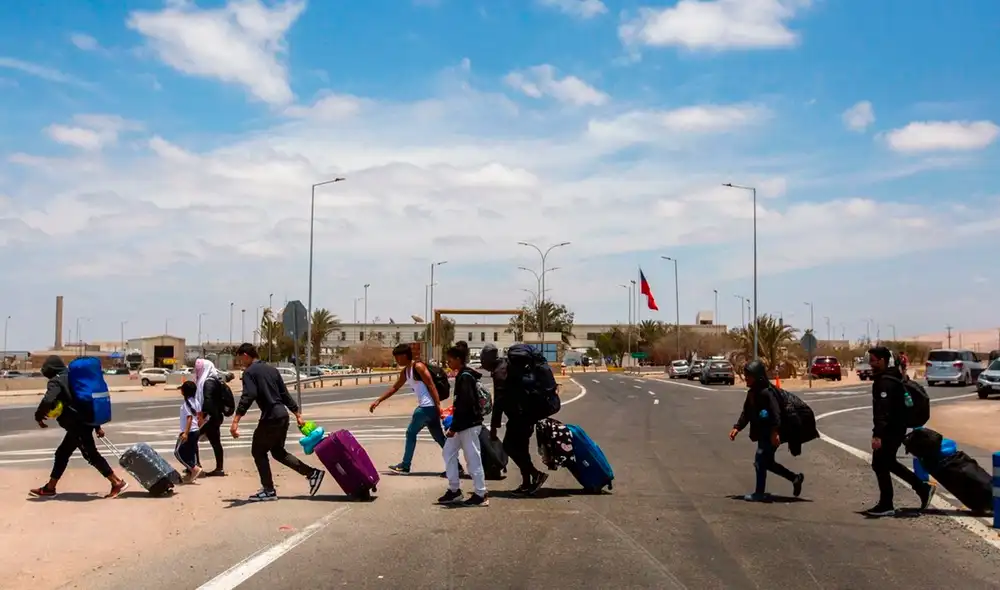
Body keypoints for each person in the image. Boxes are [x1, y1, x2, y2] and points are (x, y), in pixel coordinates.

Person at [230, 343, 324, 502]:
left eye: (240, 358)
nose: (240, 361)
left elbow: (249, 395)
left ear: (245, 355)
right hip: (282, 415)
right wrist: (297, 413)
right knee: (278, 452)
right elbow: (284, 394)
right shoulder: (272, 370)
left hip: (271, 418)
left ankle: (268, 490)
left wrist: (236, 420)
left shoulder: (249, 373)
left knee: (258, 451)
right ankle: (312, 473)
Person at [29, 355, 129, 499]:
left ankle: (116, 482)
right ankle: (50, 487)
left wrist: (39, 416)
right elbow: (85, 401)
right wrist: (97, 426)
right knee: (62, 453)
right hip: (84, 422)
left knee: (90, 454)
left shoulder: (56, 381)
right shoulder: (73, 377)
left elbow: (48, 399)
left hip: (77, 424)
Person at [864, 346, 935, 517]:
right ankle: (922, 488)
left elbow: (883, 412)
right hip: (897, 428)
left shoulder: (885, 382)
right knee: (887, 463)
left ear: (881, 360)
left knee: (880, 464)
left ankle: (887, 504)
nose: (870, 364)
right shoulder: (893, 377)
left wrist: (877, 434)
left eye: (873, 360)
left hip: (890, 430)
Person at [729, 360, 804, 502]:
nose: (746, 378)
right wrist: (737, 427)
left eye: (749, 375)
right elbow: (746, 413)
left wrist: (775, 432)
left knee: (760, 460)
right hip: (762, 433)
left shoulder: (767, 393)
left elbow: (776, 413)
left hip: (770, 433)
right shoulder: (752, 393)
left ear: (757, 376)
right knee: (767, 463)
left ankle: (759, 493)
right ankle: (795, 478)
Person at [481, 343, 548, 495]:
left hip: (520, 416)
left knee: (509, 447)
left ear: (488, 359)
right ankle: (526, 483)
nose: (482, 363)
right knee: (522, 449)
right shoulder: (506, 365)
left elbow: (499, 402)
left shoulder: (499, 372)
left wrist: (494, 426)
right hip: (525, 413)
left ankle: (535, 474)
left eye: (482, 359)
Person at [371, 343, 448, 475]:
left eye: (398, 357)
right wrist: (379, 400)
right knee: (440, 438)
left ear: (405, 356)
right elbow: (395, 388)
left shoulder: (418, 366)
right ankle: (456, 466)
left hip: (426, 408)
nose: (396, 360)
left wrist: (438, 407)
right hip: (429, 408)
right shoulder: (406, 371)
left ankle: (405, 466)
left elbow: (431, 385)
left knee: (410, 433)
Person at [437, 342, 489, 506]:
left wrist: (454, 427)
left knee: (473, 458)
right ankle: (454, 490)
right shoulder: (463, 375)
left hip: (468, 424)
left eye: (450, 360)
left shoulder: (465, 377)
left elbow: (466, 405)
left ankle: (481, 494)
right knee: (448, 452)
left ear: (458, 359)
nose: (448, 364)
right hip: (462, 424)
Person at [195, 358, 227, 476]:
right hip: (215, 417)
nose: (197, 370)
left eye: (199, 368)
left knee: (192, 439)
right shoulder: (214, 380)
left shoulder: (207, 382)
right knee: (216, 442)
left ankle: (196, 466)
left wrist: (202, 416)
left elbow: (208, 400)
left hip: (209, 418)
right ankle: (219, 468)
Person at [174, 381, 203, 483]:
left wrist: (185, 433)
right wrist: (199, 427)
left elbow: (189, 418)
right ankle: (191, 473)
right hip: (195, 431)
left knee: (178, 452)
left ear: (184, 392)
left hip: (189, 432)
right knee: (190, 453)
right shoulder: (196, 402)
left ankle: (194, 469)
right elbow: (200, 416)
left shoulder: (187, 404)